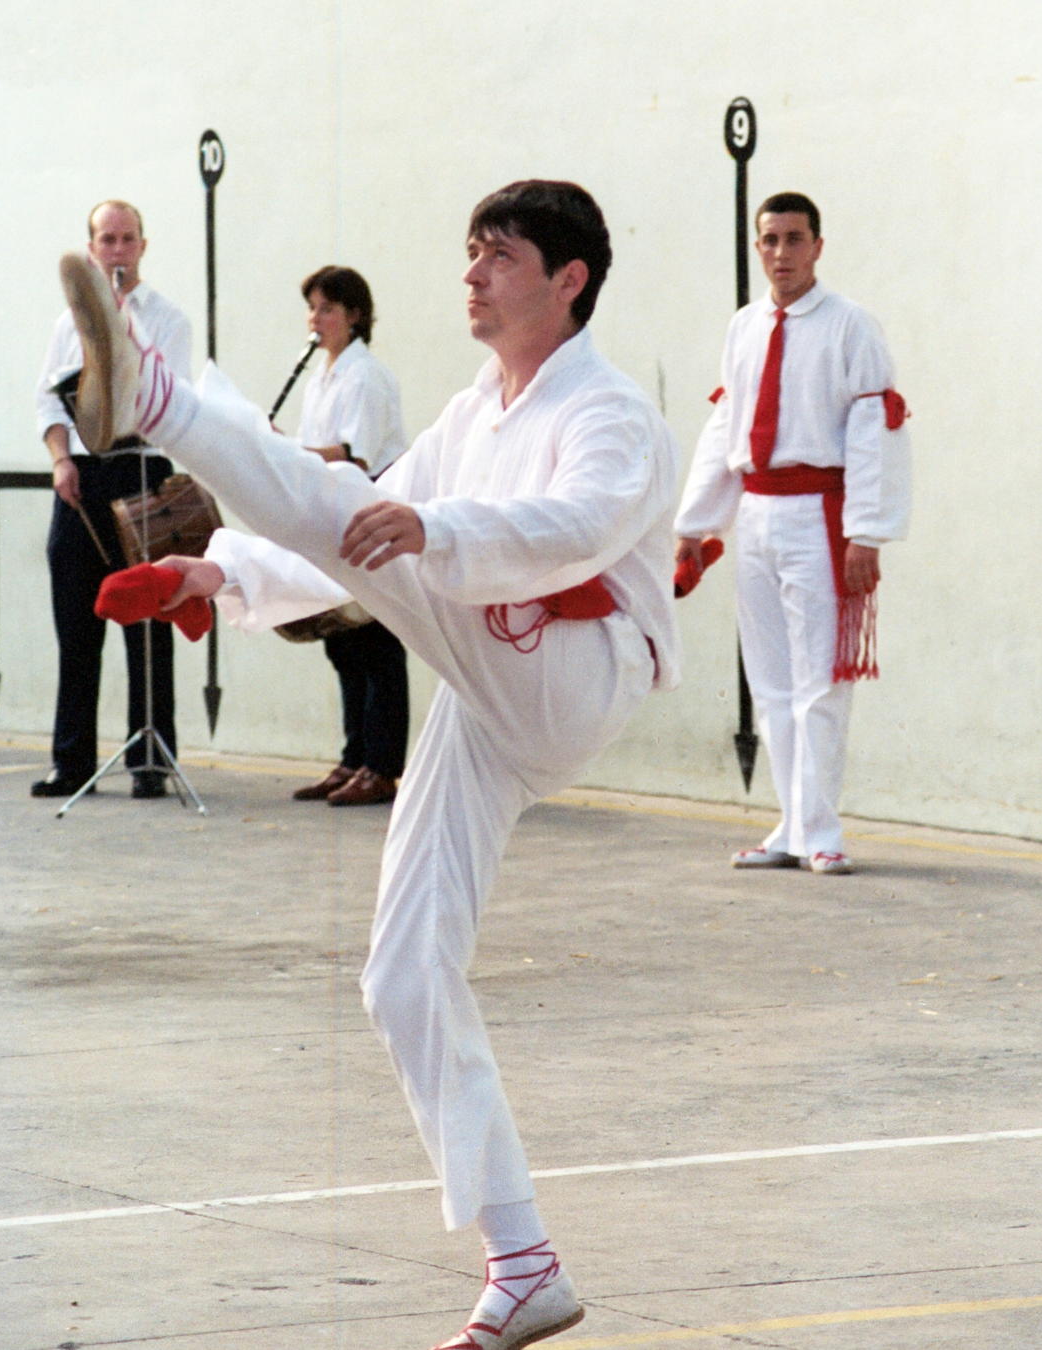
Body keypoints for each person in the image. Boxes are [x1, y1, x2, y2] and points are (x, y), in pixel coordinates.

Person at [57, 178, 681, 1350]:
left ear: (569, 280)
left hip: (576, 664)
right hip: (492, 688)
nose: (472, 272)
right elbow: (372, 520)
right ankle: (524, 1261)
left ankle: (161, 397)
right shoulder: (469, 412)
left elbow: (573, 527)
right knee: (401, 976)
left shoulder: (613, 415)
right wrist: (221, 578)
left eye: (498, 255)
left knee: (360, 517)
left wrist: (435, 534)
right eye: (469, 252)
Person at [674, 191, 911, 874]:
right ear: (758, 247)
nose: (781, 252)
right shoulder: (744, 327)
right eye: (770, 239)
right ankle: (788, 826)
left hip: (818, 514)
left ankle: (822, 830)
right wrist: (695, 524)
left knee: (819, 683)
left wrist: (864, 532)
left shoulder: (850, 326)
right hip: (755, 512)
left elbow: (875, 431)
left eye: (795, 239)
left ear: (818, 246)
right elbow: (728, 426)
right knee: (772, 681)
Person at [32, 199, 191, 799]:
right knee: (76, 623)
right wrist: (60, 459)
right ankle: (71, 760)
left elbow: (170, 398)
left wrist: (123, 320)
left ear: (142, 248)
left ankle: (150, 759)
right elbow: (48, 400)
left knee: (148, 623)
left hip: (140, 474)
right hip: (80, 479)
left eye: (127, 240)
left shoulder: (167, 318)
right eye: (107, 240)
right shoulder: (64, 324)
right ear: (91, 248)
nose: (117, 251)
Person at [288, 265, 410, 806]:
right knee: (342, 643)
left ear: (354, 315)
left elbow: (351, 454)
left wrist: (279, 452)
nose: (316, 320)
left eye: (327, 309)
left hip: (369, 510)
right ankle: (353, 757)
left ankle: (381, 768)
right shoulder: (322, 376)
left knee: (375, 642)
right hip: (333, 516)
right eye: (312, 309)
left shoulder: (366, 376)